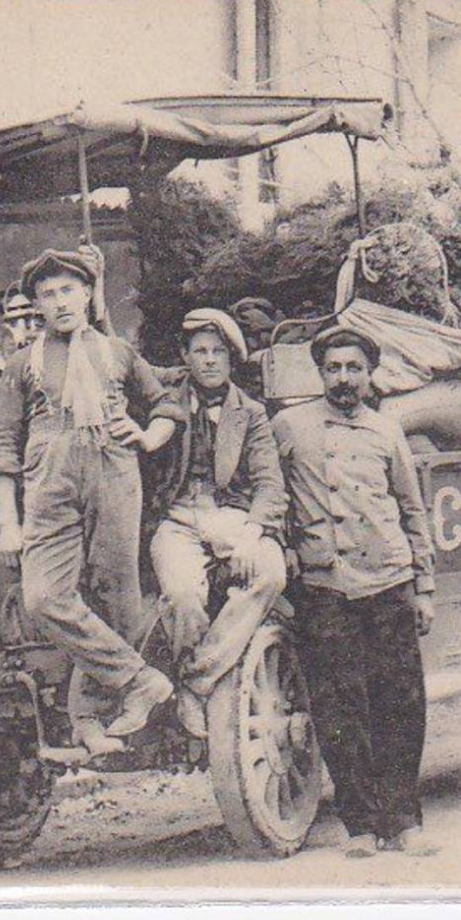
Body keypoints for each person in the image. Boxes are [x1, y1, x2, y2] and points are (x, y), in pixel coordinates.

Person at [0, 244, 184, 757]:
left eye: (68, 290)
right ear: (37, 305)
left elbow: (168, 403)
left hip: (114, 469)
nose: (59, 302)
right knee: (44, 597)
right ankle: (139, 682)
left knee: (117, 596)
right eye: (47, 295)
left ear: (87, 293)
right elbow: (4, 446)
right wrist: (9, 523)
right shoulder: (21, 362)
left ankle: (90, 717)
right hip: (47, 479)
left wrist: (147, 435)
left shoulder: (116, 353)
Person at [270, 326, 437, 857]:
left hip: (388, 581)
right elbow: (269, 495)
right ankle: (361, 825)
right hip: (326, 586)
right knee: (341, 709)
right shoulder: (289, 427)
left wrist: (424, 586)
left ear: (370, 375)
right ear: (321, 374)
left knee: (400, 701)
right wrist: (283, 547)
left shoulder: (388, 433)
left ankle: (404, 819)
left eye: (354, 369)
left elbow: (412, 511)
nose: (343, 379)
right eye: (334, 369)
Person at [149, 309, 288, 737]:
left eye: (217, 352)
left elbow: (270, 486)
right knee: (182, 594)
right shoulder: (165, 396)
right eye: (199, 352)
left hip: (229, 515)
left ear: (231, 360)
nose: (209, 360)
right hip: (176, 517)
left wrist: (251, 535)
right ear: (185, 359)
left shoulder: (251, 413)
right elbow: (117, 359)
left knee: (270, 572)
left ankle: (196, 680)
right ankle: (193, 686)